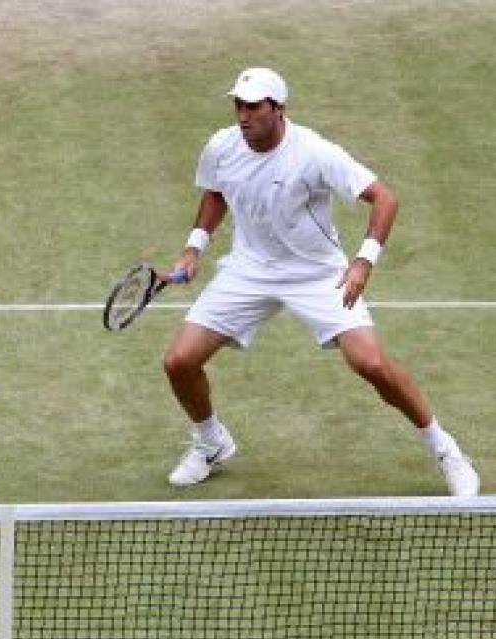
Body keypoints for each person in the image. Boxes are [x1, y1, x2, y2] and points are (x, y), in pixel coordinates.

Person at [162, 67, 479, 496]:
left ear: (279, 108)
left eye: (254, 106)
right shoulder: (221, 146)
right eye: (239, 105)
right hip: (248, 269)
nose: (243, 115)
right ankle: (212, 443)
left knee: (372, 365)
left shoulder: (313, 152)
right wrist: (194, 246)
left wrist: (363, 263)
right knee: (178, 362)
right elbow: (217, 191)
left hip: (316, 274)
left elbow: (384, 198)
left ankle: (446, 450)